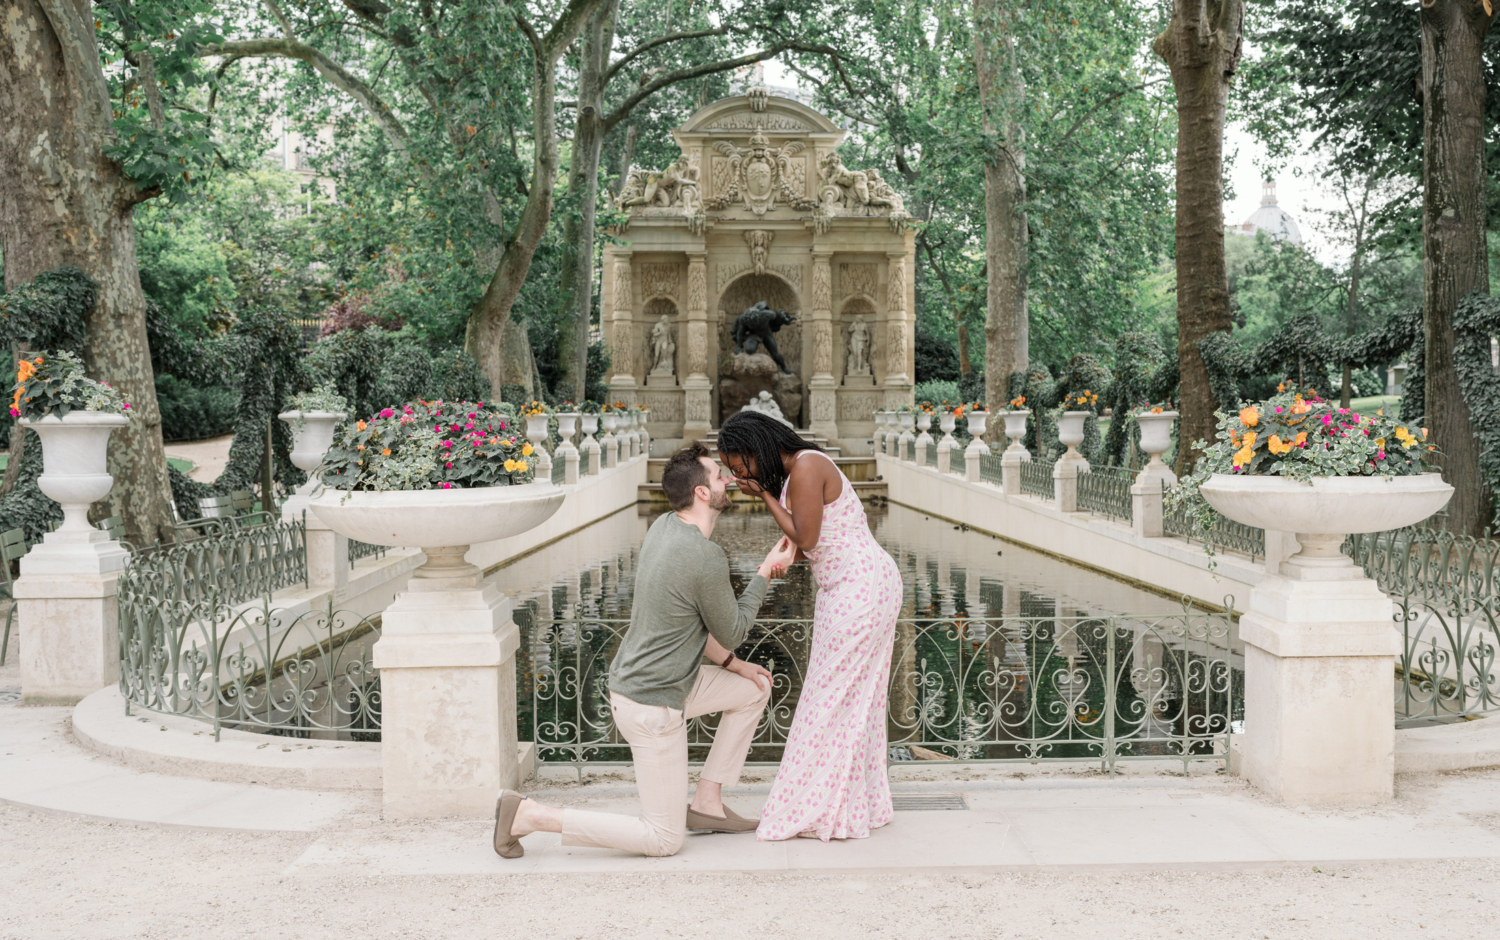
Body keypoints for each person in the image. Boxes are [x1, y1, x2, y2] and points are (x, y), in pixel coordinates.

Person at [493, 443, 796, 858]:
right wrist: (765, 573)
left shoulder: (664, 526)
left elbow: (692, 623)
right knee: (664, 839)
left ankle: (707, 803)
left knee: (755, 687)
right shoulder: (704, 556)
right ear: (703, 493)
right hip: (651, 704)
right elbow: (735, 629)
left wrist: (734, 666)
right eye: (718, 474)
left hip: (665, 683)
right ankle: (531, 816)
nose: (728, 479)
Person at [717, 411, 902, 842]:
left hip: (860, 588)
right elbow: (816, 539)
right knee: (852, 700)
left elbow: (807, 537)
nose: (736, 474)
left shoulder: (804, 466)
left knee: (828, 699)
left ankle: (813, 807)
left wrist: (763, 495)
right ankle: (848, 803)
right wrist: (784, 557)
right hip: (853, 586)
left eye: (738, 465)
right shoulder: (798, 470)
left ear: (755, 447)